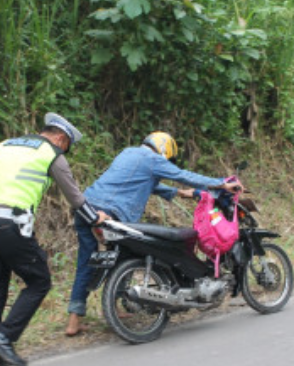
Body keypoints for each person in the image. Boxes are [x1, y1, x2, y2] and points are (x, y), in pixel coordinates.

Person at [65, 131, 241, 336]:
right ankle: (116, 305)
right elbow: (184, 175)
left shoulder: (128, 153)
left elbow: (147, 183)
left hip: (86, 208)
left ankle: (74, 320)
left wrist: (178, 193)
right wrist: (221, 183)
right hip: (112, 210)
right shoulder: (152, 158)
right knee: (128, 254)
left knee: (87, 261)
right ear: (164, 148)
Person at [0, 113, 109, 366]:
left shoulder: (4, 145)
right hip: (9, 223)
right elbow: (75, 198)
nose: (65, 151)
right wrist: (96, 220)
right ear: (60, 137)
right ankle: (4, 337)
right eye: (67, 145)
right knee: (39, 281)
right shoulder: (52, 154)